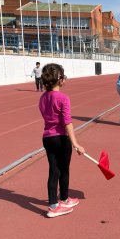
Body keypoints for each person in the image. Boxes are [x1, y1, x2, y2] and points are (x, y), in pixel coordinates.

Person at [39, 63, 85, 218]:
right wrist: (75, 142)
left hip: (47, 138)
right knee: (63, 170)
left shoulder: (43, 97)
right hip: (60, 139)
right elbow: (67, 122)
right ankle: (58, 203)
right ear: (60, 80)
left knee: (54, 170)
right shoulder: (63, 98)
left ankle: (59, 201)